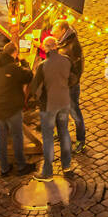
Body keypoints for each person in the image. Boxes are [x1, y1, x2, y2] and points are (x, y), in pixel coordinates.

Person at [0, 41, 36, 176]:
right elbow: (29, 76)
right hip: (12, 108)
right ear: (15, 53)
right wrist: (24, 64)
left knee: (2, 138)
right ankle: (21, 165)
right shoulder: (13, 68)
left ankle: (4, 168)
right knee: (17, 137)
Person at [30, 35, 73, 181]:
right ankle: (67, 166)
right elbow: (73, 77)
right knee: (64, 134)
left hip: (49, 105)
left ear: (46, 48)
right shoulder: (66, 60)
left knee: (48, 138)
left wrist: (38, 97)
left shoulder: (43, 66)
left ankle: (47, 172)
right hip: (64, 102)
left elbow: (34, 87)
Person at [55, 20, 86, 151]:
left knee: (75, 113)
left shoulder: (72, 47)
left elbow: (76, 71)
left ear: (63, 31)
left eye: (55, 31)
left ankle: (81, 140)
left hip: (70, 87)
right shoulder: (63, 42)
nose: (52, 33)